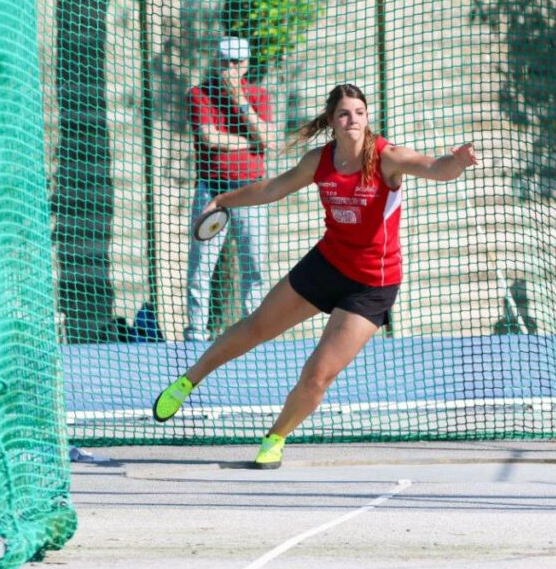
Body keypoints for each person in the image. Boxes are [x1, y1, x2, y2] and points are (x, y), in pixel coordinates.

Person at [153, 83, 478, 468]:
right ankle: (188, 380)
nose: (352, 119)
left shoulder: (387, 157)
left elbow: (434, 168)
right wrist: (224, 199)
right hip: (327, 264)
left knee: (318, 374)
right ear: (332, 121)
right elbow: (274, 187)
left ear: (367, 117)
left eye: (359, 112)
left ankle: (275, 438)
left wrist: (456, 162)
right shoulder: (319, 161)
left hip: (371, 284)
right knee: (256, 326)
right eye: (344, 114)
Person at [184, 36, 273, 341]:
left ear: (246, 65)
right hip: (213, 191)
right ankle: (196, 333)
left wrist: (239, 101)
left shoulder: (258, 95)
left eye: (237, 63)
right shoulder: (200, 93)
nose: (230, 68)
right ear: (216, 61)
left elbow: (269, 139)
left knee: (255, 265)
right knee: (200, 266)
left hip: (252, 191)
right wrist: (250, 142)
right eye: (225, 61)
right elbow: (210, 137)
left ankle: (255, 332)